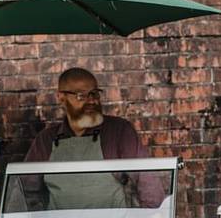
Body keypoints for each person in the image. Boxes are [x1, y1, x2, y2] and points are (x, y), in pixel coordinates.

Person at [22, 68, 164, 210]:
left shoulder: (119, 131)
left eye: (94, 94)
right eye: (81, 96)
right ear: (61, 98)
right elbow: (25, 192)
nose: (92, 101)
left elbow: (148, 183)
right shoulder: (46, 140)